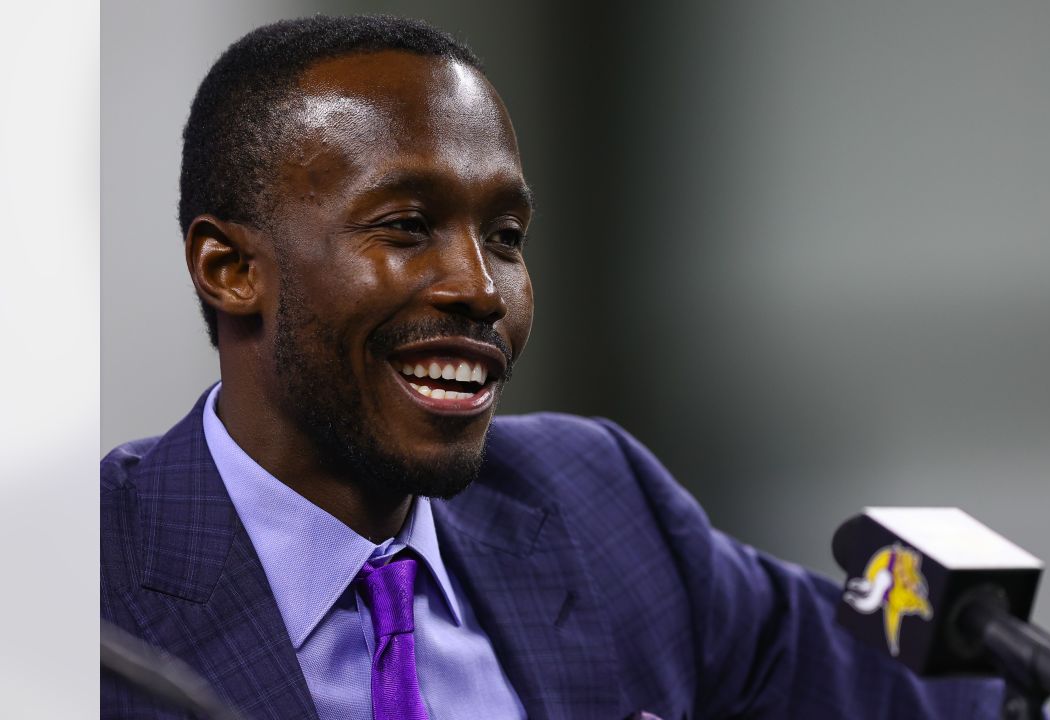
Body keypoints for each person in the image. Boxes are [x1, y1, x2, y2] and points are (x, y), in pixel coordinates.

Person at [101, 15, 1004, 720]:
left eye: (505, 237)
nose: (481, 287)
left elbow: (933, 688)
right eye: (406, 227)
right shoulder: (78, 585)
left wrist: (1005, 643)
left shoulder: (594, 502)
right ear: (232, 270)